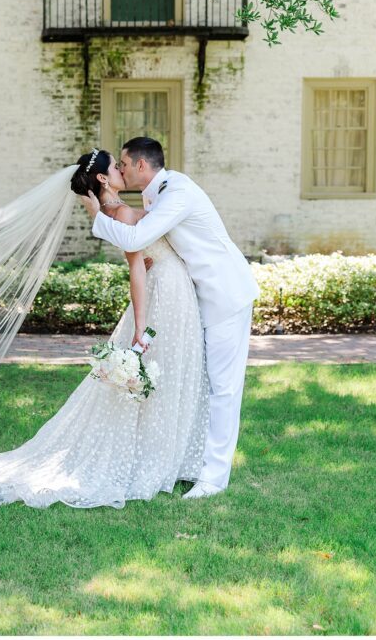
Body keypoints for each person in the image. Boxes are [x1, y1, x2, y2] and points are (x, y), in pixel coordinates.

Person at [0, 148, 212, 508]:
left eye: (122, 163)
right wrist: (141, 324)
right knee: (169, 371)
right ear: (102, 179)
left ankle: (168, 457)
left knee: (166, 373)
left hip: (166, 283)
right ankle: (161, 460)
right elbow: (137, 266)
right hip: (164, 291)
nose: (121, 169)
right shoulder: (120, 212)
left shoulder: (112, 211)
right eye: (115, 166)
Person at [77, 136, 260, 499]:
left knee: (224, 388)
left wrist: (96, 218)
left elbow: (140, 234)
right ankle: (194, 464)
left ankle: (213, 480)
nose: (122, 171)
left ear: (141, 166)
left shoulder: (179, 191)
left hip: (225, 295)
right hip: (194, 298)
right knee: (204, 383)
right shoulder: (151, 195)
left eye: (124, 165)